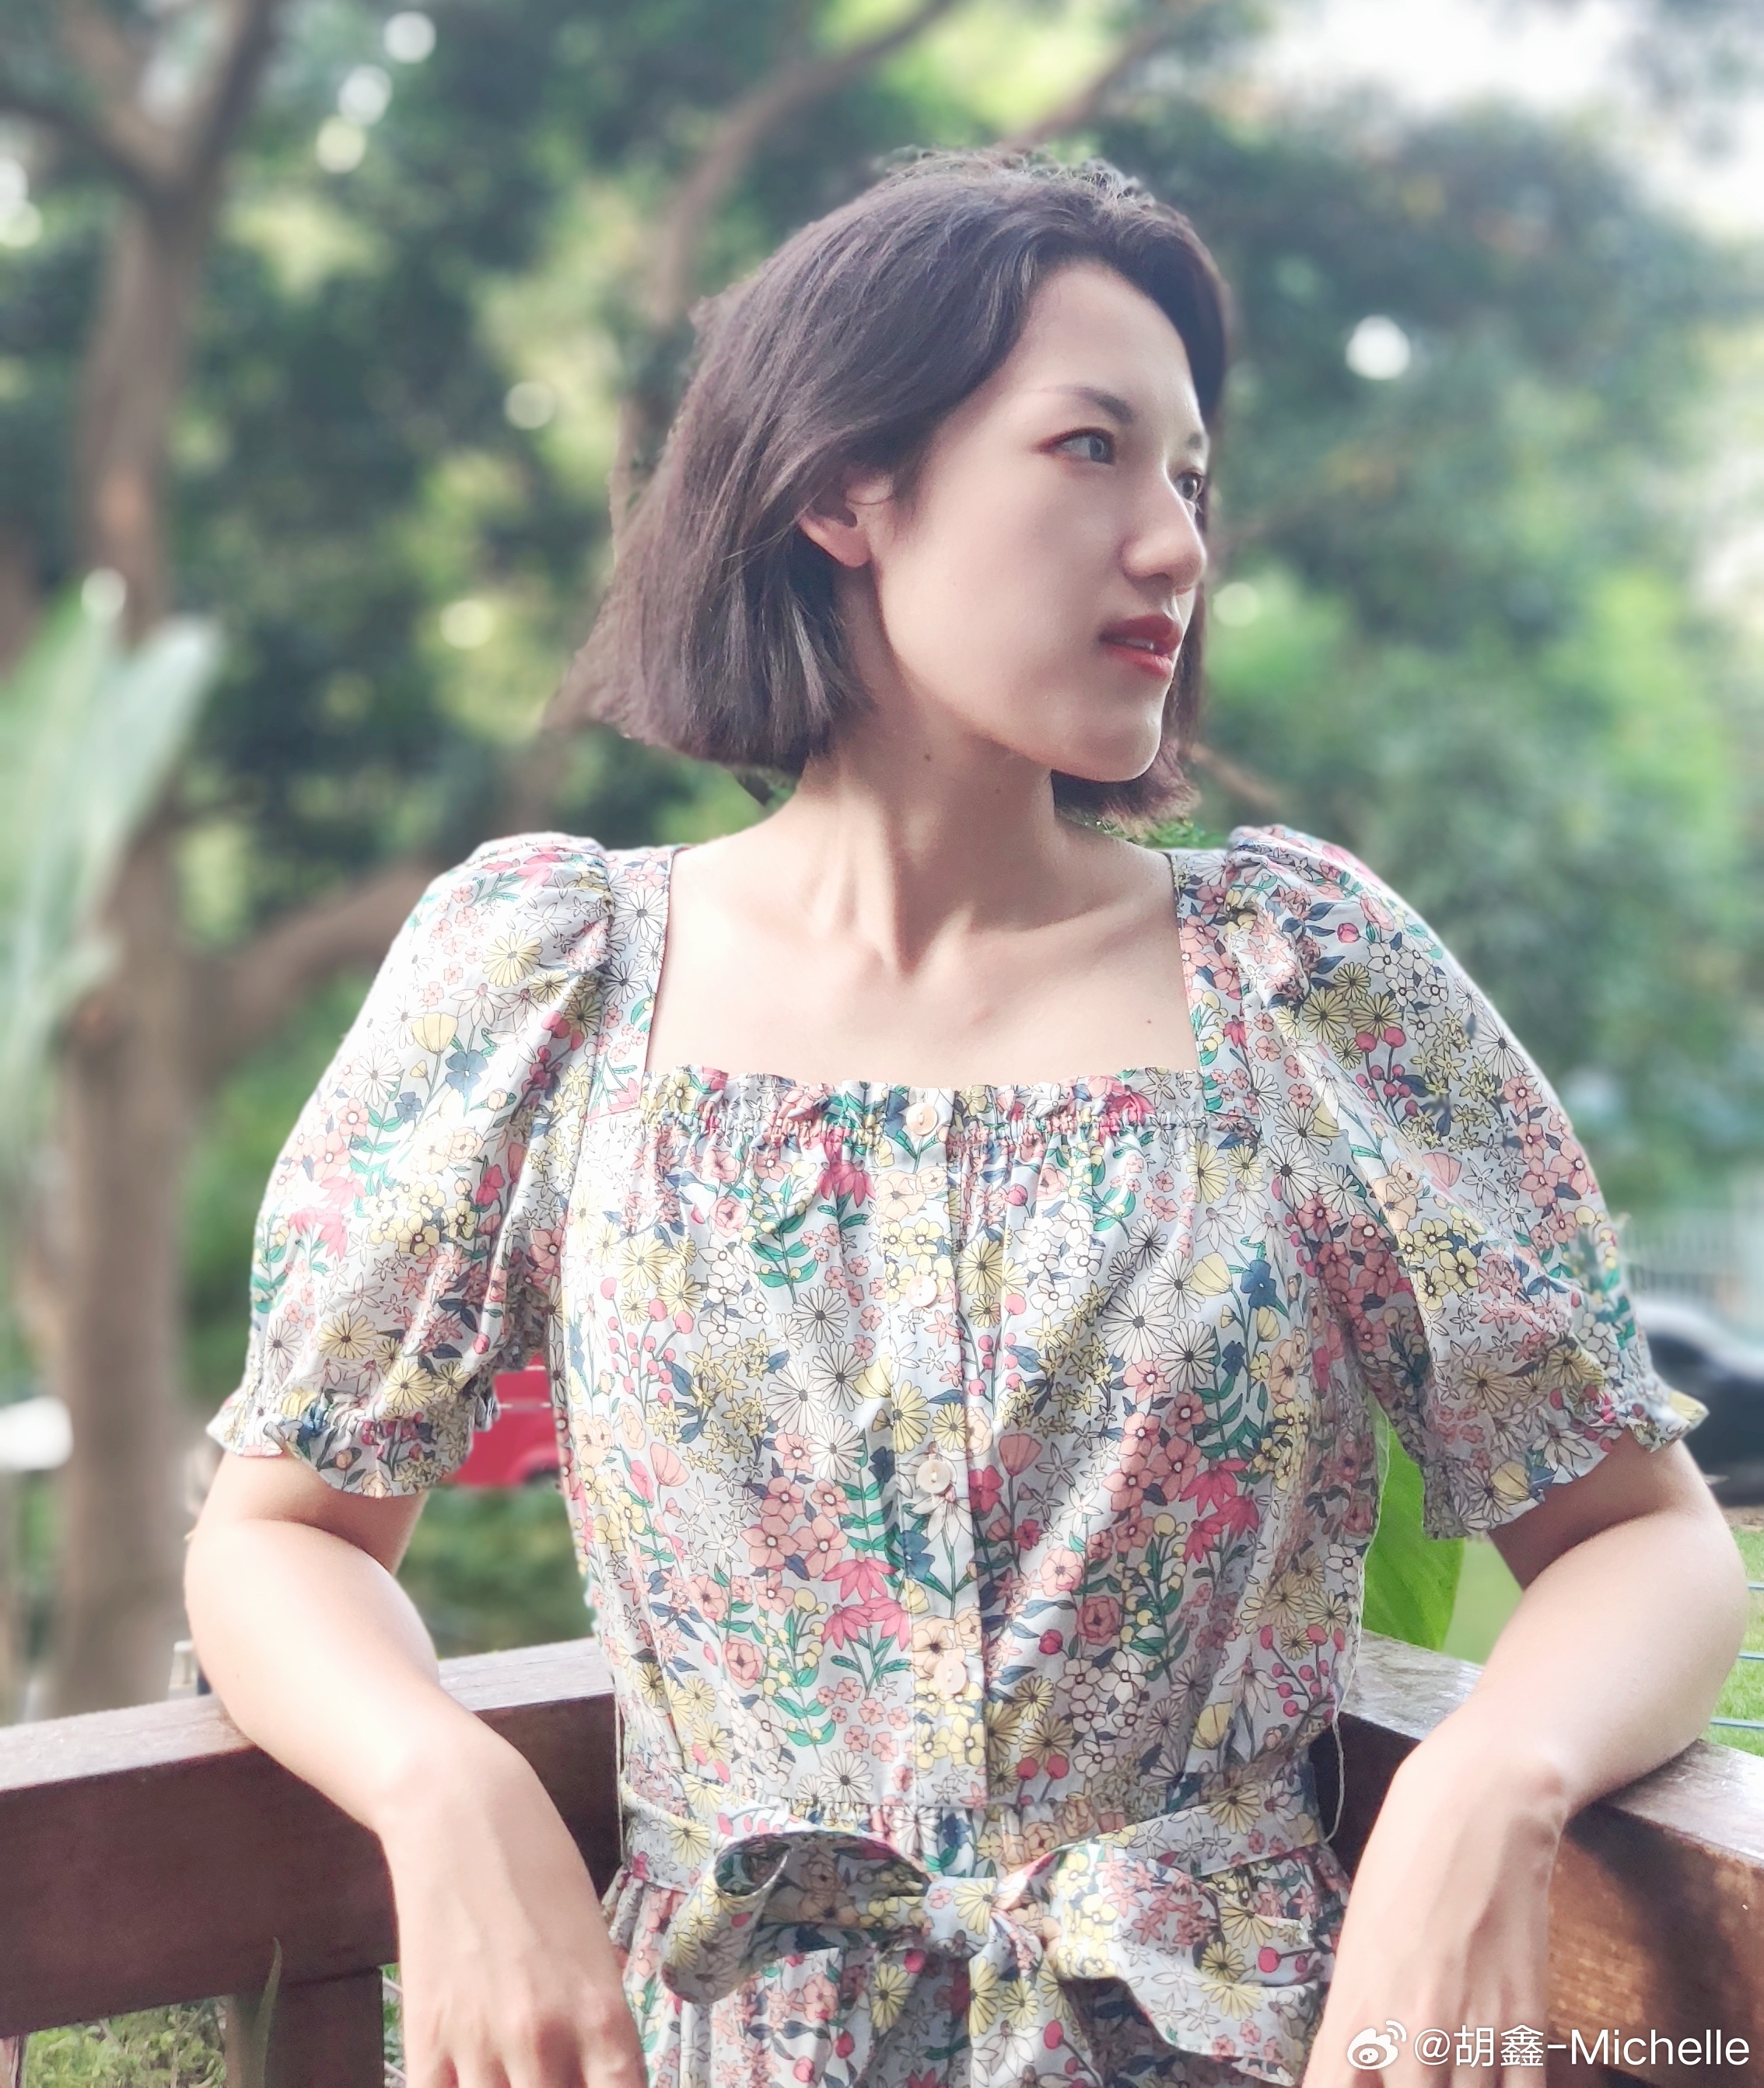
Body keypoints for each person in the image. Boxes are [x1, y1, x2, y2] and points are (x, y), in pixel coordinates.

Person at [186, 149, 1745, 2088]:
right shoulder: (552, 977)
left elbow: (1648, 1538)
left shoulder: (1308, 979)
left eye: (1191, 480)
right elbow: (284, 1529)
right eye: (1091, 449)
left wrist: (1487, 1786)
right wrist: (444, 1787)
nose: (1176, 548)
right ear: (848, 484)